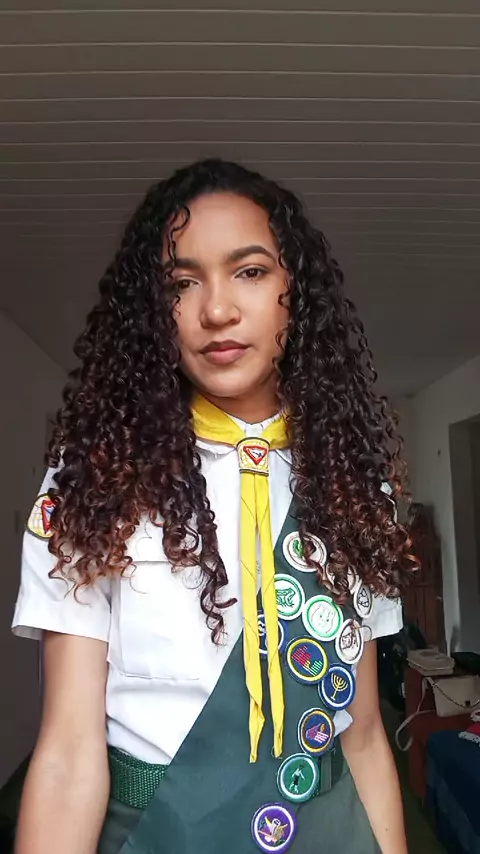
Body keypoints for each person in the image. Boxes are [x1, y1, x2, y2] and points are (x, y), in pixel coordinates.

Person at [12, 159, 416, 854]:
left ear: (295, 290)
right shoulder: (96, 482)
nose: (217, 310)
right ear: (153, 309)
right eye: (182, 282)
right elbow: (69, 752)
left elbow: (365, 736)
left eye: (250, 271)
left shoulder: (354, 486)